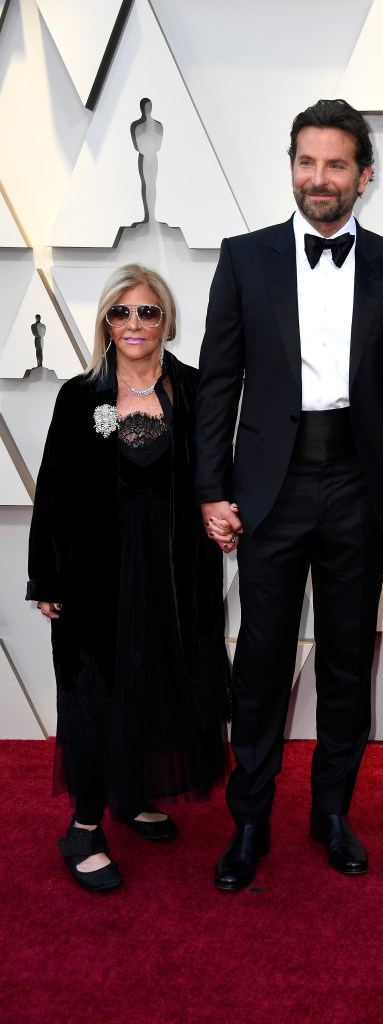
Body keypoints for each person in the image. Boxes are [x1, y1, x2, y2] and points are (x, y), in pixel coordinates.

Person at [196, 98, 383, 891]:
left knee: (345, 662)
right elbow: (218, 381)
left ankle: (332, 812)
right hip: (270, 488)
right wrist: (209, 489)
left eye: (334, 164)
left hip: (360, 486)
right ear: (290, 166)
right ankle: (249, 818)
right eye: (305, 161)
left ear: (364, 175)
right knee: (258, 660)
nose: (317, 178)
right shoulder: (244, 257)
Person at [27, 264, 229, 892]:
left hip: (175, 577)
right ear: (106, 324)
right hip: (98, 579)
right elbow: (55, 493)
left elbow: (216, 471)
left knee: (162, 685)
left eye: (148, 312)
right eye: (122, 313)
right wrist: (48, 578)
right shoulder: (81, 395)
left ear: (167, 321)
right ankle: (84, 826)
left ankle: (132, 794)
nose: (134, 324)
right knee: (96, 693)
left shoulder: (193, 390)